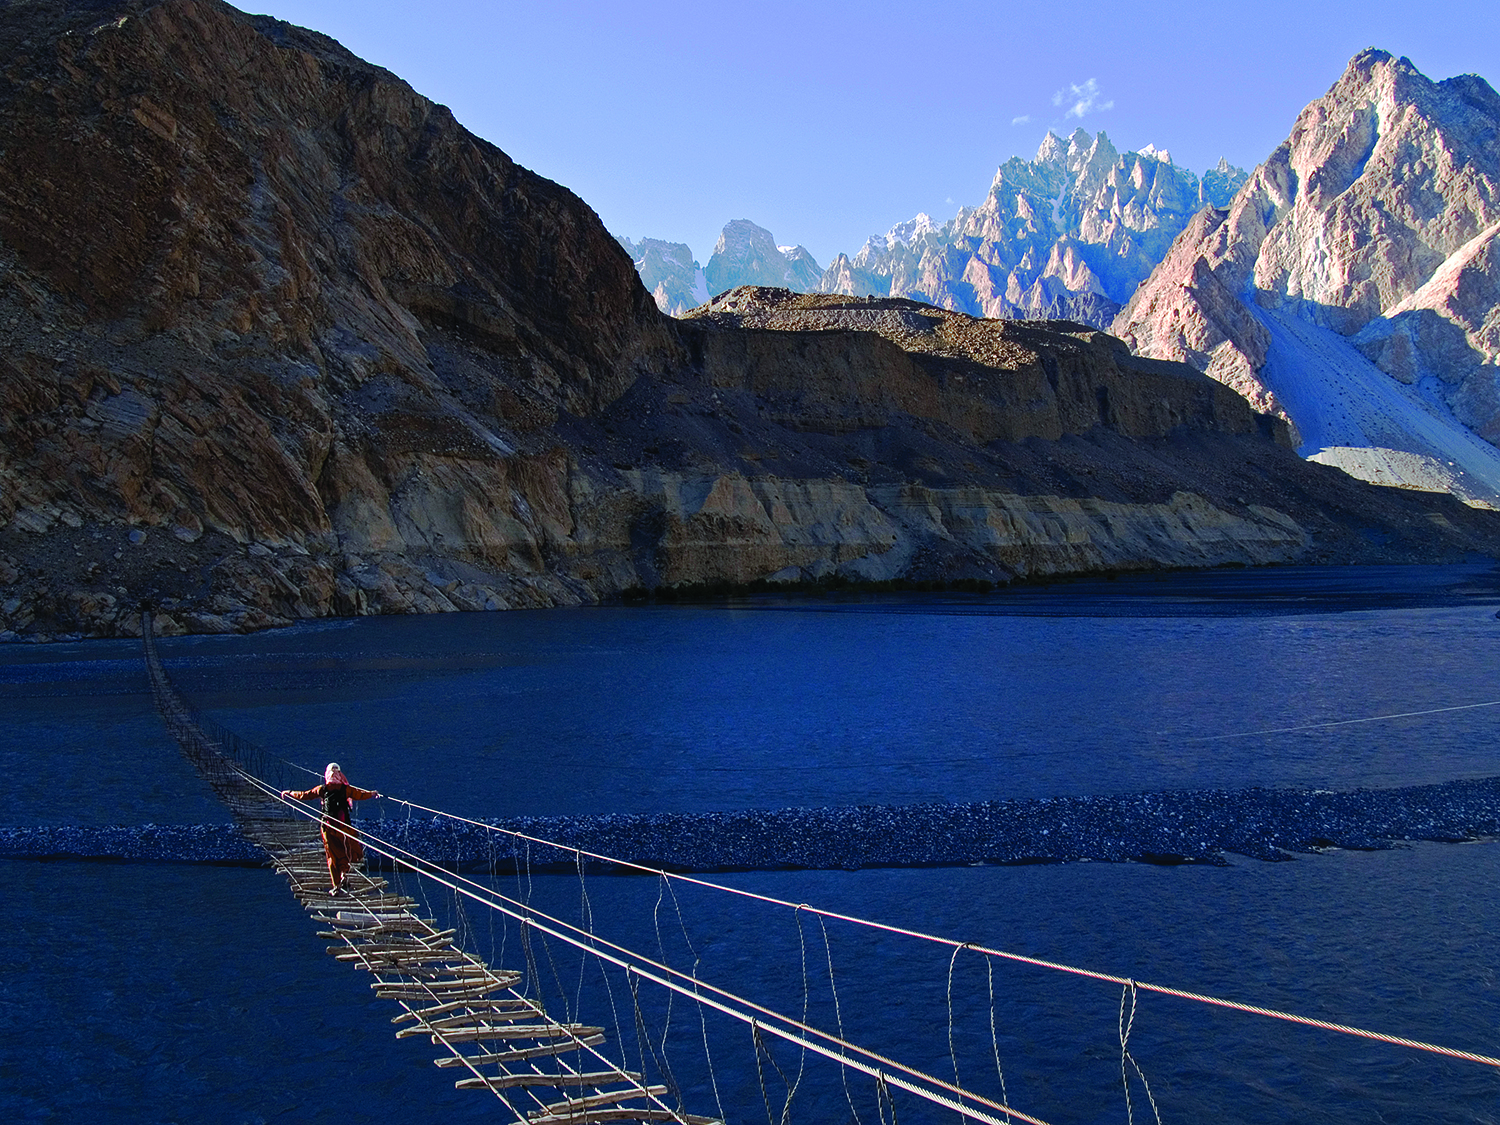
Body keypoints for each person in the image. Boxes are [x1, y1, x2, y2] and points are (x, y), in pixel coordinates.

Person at [281, 763, 380, 895]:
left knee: (333, 856)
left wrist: (290, 793)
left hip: (328, 828)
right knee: (346, 850)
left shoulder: (323, 789)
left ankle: (336, 885)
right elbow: (360, 795)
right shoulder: (346, 789)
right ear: (340, 774)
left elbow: (305, 795)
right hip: (345, 828)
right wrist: (373, 793)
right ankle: (344, 873)